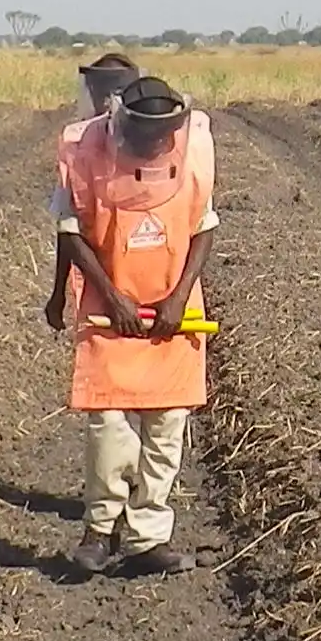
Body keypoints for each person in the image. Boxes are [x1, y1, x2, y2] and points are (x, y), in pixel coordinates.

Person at [54, 75, 217, 576]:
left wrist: (178, 298)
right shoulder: (87, 152)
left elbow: (203, 228)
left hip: (174, 312)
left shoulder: (194, 153)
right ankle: (99, 532)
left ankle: (149, 538)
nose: (152, 146)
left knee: (166, 429)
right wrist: (112, 294)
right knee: (110, 428)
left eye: (159, 137)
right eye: (144, 136)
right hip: (111, 310)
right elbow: (71, 231)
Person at [42, 52, 140, 330]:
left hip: (129, 288)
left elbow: (69, 227)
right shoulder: (79, 145)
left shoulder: (80, 144)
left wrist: (59, 293)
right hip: (114, 290)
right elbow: (69, 227)